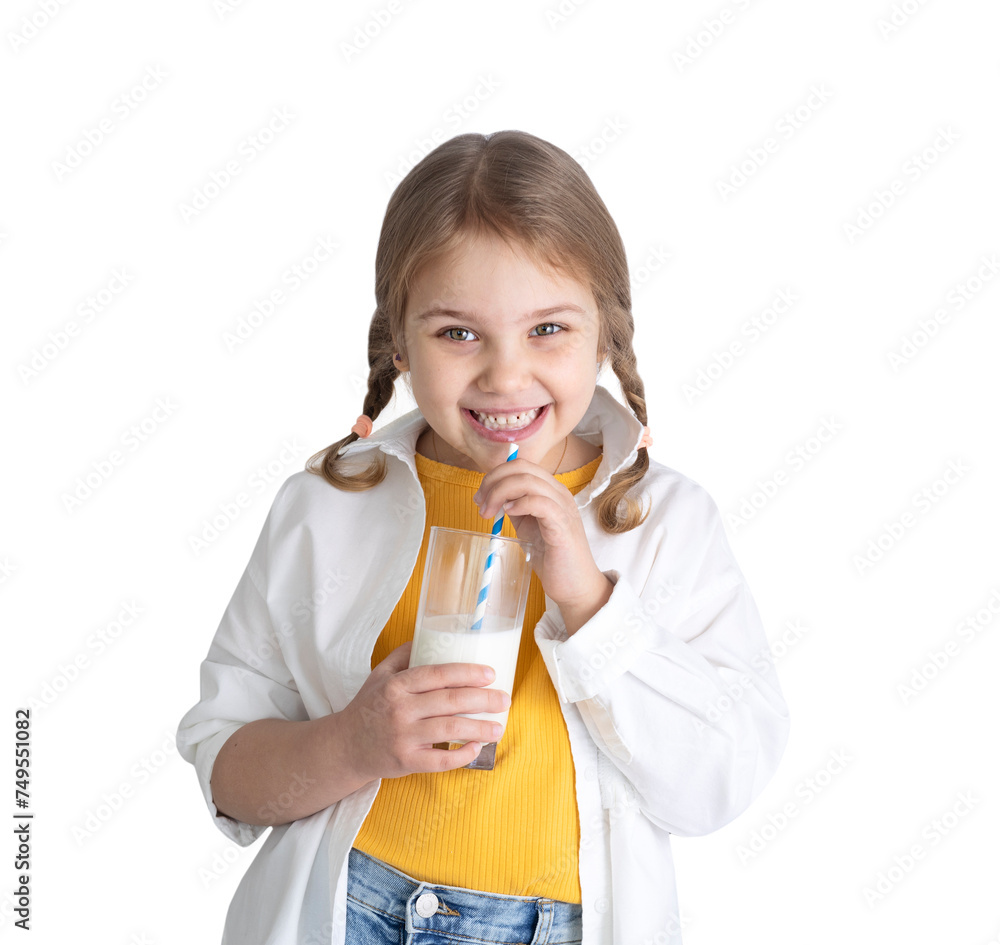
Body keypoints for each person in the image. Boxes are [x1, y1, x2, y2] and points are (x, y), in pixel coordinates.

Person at [176, 129, 790, 945]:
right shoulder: (324, 508)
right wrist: (351, 744)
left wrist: (589, 599)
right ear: (399, 339)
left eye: (548, 329)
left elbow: (718, 782)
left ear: (604, 335)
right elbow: (228, 764)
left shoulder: (662, 525)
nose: (504, 375)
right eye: (457, 333)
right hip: (346, 913)